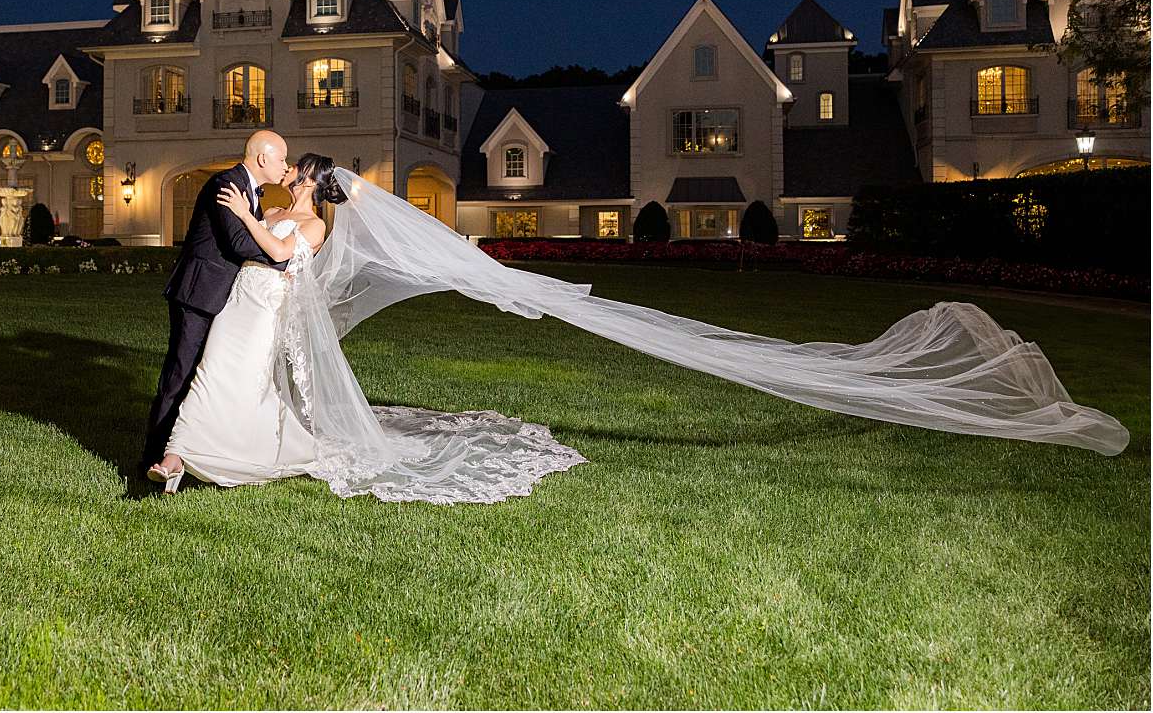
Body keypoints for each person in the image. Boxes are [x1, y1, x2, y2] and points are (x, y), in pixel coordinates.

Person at [147, 161, 1127, 504]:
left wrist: (259, 224)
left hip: (264, 305)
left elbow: (285, 255)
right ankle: (203, 445)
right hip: (257, 317)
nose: (288, 191)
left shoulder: (311, 222)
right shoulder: (318, 219)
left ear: (310, 191)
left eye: (294, 184)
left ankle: (204, 447)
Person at [145, 153, 334, 493]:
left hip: (266, 309)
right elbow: (245, 245)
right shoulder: (273, 212)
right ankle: (175, 457)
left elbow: (278, 252)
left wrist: (245, 213)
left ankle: (237, 446)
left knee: (246, 382)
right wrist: (247, 216)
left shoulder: (315, 224)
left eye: (294, 166)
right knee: (209, 371)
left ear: (306, 180)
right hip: (237, 301)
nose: (287, 168)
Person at [140, 130, 290, 481]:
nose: (285, 165)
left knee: (201, 377)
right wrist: (283, 261)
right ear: (264, 158)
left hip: (219, 296)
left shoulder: (250, 190)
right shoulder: (228, 184)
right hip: (198, 294)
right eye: (281, 158)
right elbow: (238, 242)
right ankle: (152, 457)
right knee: (179, 375)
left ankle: (184, 454)